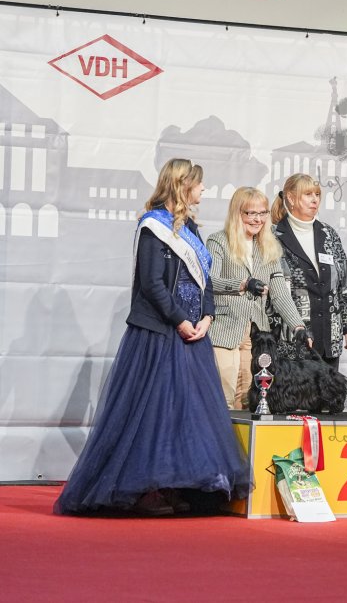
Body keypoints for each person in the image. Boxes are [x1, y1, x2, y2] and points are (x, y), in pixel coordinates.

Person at [54, 158, 252, 516]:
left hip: (194, 336)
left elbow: (205, 281)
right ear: (183, 185)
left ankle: (178, 485)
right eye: (199, 184)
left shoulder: (192, 229)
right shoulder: (153, 227)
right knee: (153, 414)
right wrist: (179, 320)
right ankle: (145, 488)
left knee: (187, 415)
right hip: (160, 334)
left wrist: (208, 316)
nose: (204, 189)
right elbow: (152, 284)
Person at [208, 187, 309, 409]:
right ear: (237, 213)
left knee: (251, 400)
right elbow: (210, 281)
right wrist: (243, 284)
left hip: (257, 337)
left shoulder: (268, 247)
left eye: (263, 213)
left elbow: (280, 293)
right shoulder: (218, 242)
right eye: (251, 213)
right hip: (224, 330)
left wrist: (298, 326)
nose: (258, 219)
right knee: (223, 399)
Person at [271, 173, 347, 373]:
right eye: (308, 194)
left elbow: (344, 283)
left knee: (328, 390)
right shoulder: (273, 236)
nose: (314, 200)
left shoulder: (328, 234)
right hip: (292, 340)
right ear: (291, 198)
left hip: (329, 334)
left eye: (317, 194)